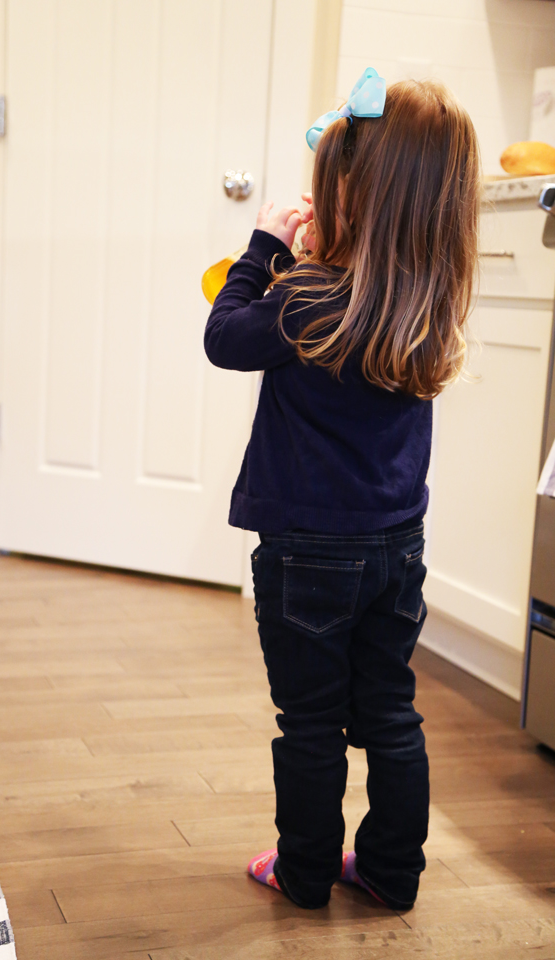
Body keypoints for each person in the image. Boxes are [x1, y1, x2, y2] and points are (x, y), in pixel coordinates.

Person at [204, 71, 480, 912]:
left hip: (306, 560)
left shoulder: (307, 297)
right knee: (391, 715)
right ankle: (394, 874)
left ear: (347, 196)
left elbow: (223, 336)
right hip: (398, 552)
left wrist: (264, 247)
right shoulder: (428, 304)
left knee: (313, 722)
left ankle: (306, 871)